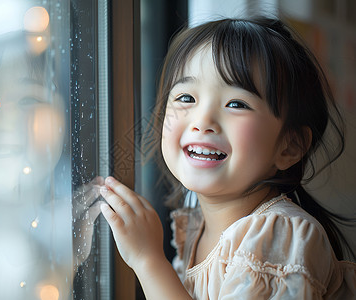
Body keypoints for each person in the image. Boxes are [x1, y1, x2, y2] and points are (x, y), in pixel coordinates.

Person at [99, 17, 356, 299]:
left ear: (289, 147)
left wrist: (148, 261)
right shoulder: (196, 230)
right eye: (186, 98)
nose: (202, 121)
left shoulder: (280, 236)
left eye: (236, 104)